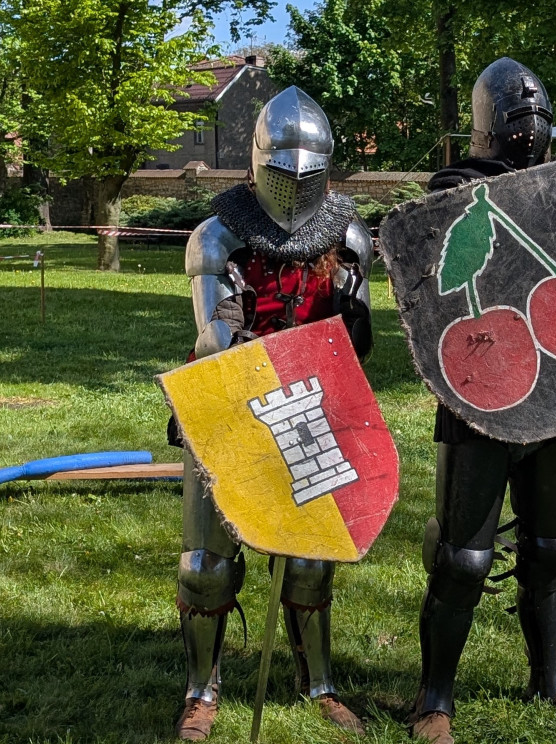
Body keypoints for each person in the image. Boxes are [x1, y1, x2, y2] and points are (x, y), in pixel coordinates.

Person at [410, 58, 556, 744]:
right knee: (463, 558)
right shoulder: (456, 189)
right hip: (483, 389)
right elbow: (432, 280)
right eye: (517, 112)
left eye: (536, 113)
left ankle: (551, 681)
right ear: (488, 121)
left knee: (551, 546)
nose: (529, 124)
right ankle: (433, 700)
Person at [170, 85, 374, 741]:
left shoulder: (348, 239)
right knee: (206, 566)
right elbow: (215, 336)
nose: (294, 185)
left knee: (311, 558)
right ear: (260, 162)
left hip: (310, 411)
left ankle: (319, 684)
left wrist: (352, 314)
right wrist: (252, 347)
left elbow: (353, 346)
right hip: (227, 405)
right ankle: (201, 691)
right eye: (284, 169)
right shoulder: (220, 237)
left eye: (307, 173)